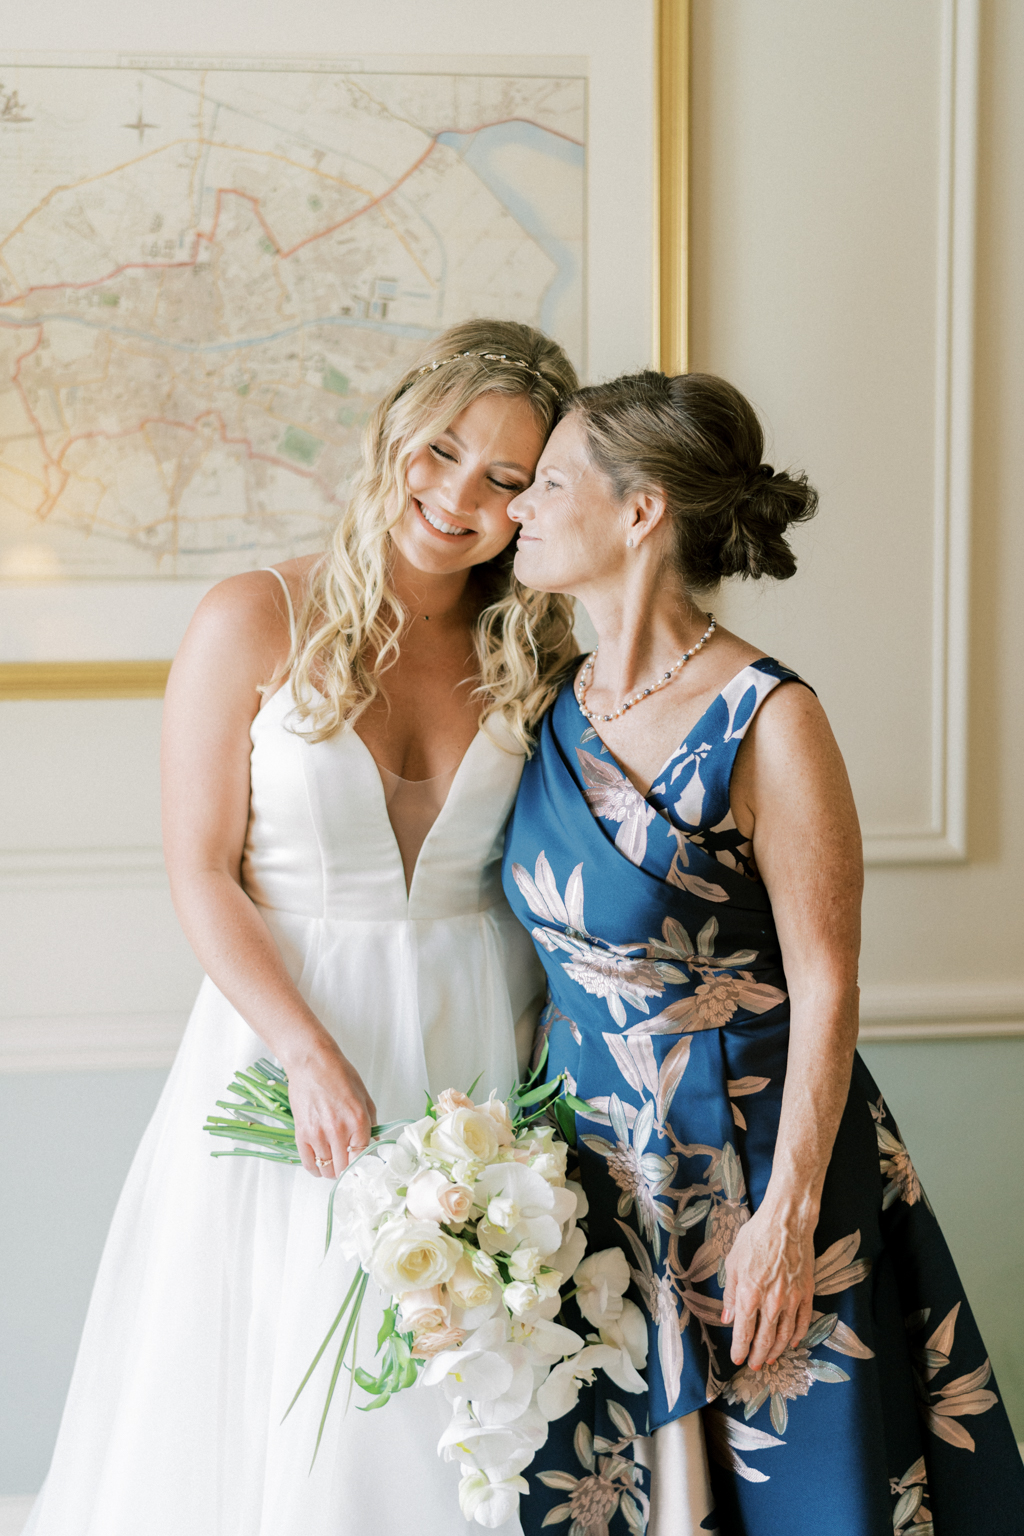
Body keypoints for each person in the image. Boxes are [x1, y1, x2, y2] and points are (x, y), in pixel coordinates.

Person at [24, 320, 579, 1536]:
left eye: (506, 481)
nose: (458, 498)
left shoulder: (535, 646)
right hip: (286, 1038)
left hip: (472, 1045)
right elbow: (199, 872)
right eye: (441, 450)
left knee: (449, 1364)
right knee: (275, 1352)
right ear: (394, 432)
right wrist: (306, 1051)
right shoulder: (253, 615)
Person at [501, 371, 1024, 1535]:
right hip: (585, 1183)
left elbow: (829, 983)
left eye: (545, 482)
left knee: (795, 1495)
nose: (518, 509)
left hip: (750, 1166)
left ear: (639, 513)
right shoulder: (551, 699)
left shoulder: (768, 718)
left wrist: (785, 1222)